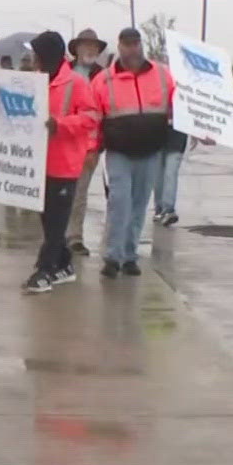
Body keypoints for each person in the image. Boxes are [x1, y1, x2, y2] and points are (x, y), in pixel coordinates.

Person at [91, 27, 174, 279]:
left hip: (150, 151)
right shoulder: (103, 80)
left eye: (136, 43)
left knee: (139, 205)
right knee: (119, 203)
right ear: (120, 47)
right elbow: (93, 117)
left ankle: (129, 255)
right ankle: (112, 257)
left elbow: (180, 106)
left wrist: (201, 129)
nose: (132, 48)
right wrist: (91, 150)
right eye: (127, 44)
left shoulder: (162, 75)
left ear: (141, 45)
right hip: (119, 153)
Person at [24, 31, 101, 294]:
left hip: (65, 163)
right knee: (47, 219)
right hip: (39, 163)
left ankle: (45, 270)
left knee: (57, 222)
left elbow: (91, 117)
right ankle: (65, 264)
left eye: (37, 55)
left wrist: (62, 125)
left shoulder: (76, 84)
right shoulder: (36, 82)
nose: (33, 60)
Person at [65, 29, 108, 256]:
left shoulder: (104, 76)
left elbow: (104, 114)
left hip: (89, 145)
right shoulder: (63, 72)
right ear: (77, 48)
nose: (90, 50)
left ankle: (74, 238)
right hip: (62, 140)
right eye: (86, 45)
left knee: (79, 192)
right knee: (60, 192)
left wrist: (97, 146)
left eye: (95, 47)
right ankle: (57, 235)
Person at [155, 126, 187, 228]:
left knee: (169, 172)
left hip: (176, 133)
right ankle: (161, 209)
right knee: (160, 173)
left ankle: (167, 209)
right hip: (156, 130)